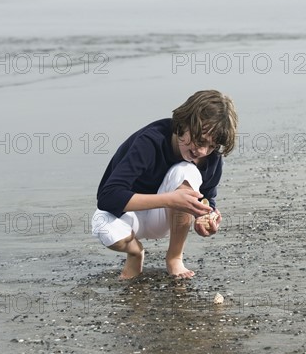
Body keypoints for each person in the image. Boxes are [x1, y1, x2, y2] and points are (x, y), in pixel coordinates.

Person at [92, 90, 238, 279]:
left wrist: (206, 218)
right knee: (102, 226)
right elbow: (106, 198)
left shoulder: (210, 159)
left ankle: (174, 258)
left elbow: (206, 198)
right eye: (199, 140)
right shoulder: (150, 141)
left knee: (186, 171)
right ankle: (136, 253)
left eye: (211, 146)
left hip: (164, 218)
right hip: (127, 215)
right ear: (182, 124)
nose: (202, 151)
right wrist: (169, 200)